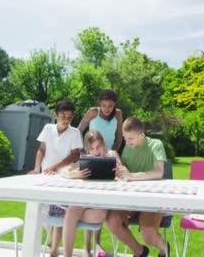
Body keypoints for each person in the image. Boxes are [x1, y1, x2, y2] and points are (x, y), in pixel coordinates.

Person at [106, 116, 169, 257]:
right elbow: (125, 173)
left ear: (142, 135)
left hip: (153, 198)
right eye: (125, 138)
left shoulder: (156, 145)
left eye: (131, 139)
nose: (127, 143)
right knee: (111, 220)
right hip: (130, 199)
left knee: (147, 233)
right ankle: (139, 251)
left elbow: (159, 172)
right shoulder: (128, 148)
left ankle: (164, 248)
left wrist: (132, 176)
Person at [29, 99, 83, 257]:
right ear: (55, 115)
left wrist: (56, 166)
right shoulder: (47, 128)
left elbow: (75, 155)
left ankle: (53, 251)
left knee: (58, 213)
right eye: (63, 115)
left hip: (63, 177)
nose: (66, 119)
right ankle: (52, 242)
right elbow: (41, 149)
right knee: (41, 211)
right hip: (45, 175)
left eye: (70, 117)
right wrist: (36, 168)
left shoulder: (75, 132)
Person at [60, 130, 121, 257]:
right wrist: (73, 174)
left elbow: (123, 173)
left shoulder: (112, 154)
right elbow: (64, 171)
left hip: (101, 203)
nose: (96, 151)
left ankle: (77, 227)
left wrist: (119, 172)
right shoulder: (87, 159)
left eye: (98, 146)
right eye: (92, 149)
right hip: (84, 200)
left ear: (104, 143)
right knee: (72, 210)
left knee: (97, 215)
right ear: (88, 150)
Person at [77, 89, 124, 252]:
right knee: (90, 202)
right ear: (99, 103)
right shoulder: (92, 112)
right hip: (92, 157)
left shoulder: (118, 114)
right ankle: (87, 246)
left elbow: (119, 136)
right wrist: (83, 152)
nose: (106, 109)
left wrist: (113, 153)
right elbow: (79, 129)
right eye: (104, 105)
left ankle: (97, 243)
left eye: (110, 106)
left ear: (114, 105)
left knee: (101, 203)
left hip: (108, 159)